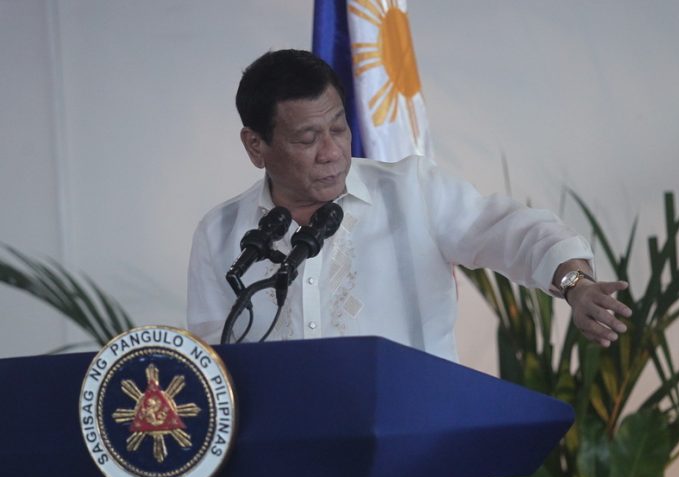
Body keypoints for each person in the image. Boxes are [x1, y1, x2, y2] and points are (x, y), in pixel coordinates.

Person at [187, 49, 631, 362]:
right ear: (255, 145)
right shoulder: (221, 233)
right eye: (307, 138)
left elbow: (515, 231)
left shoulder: (412, 192)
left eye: (339, 129)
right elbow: (212, 364)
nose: (331, 151)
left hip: (422, 461)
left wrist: (576, 282)